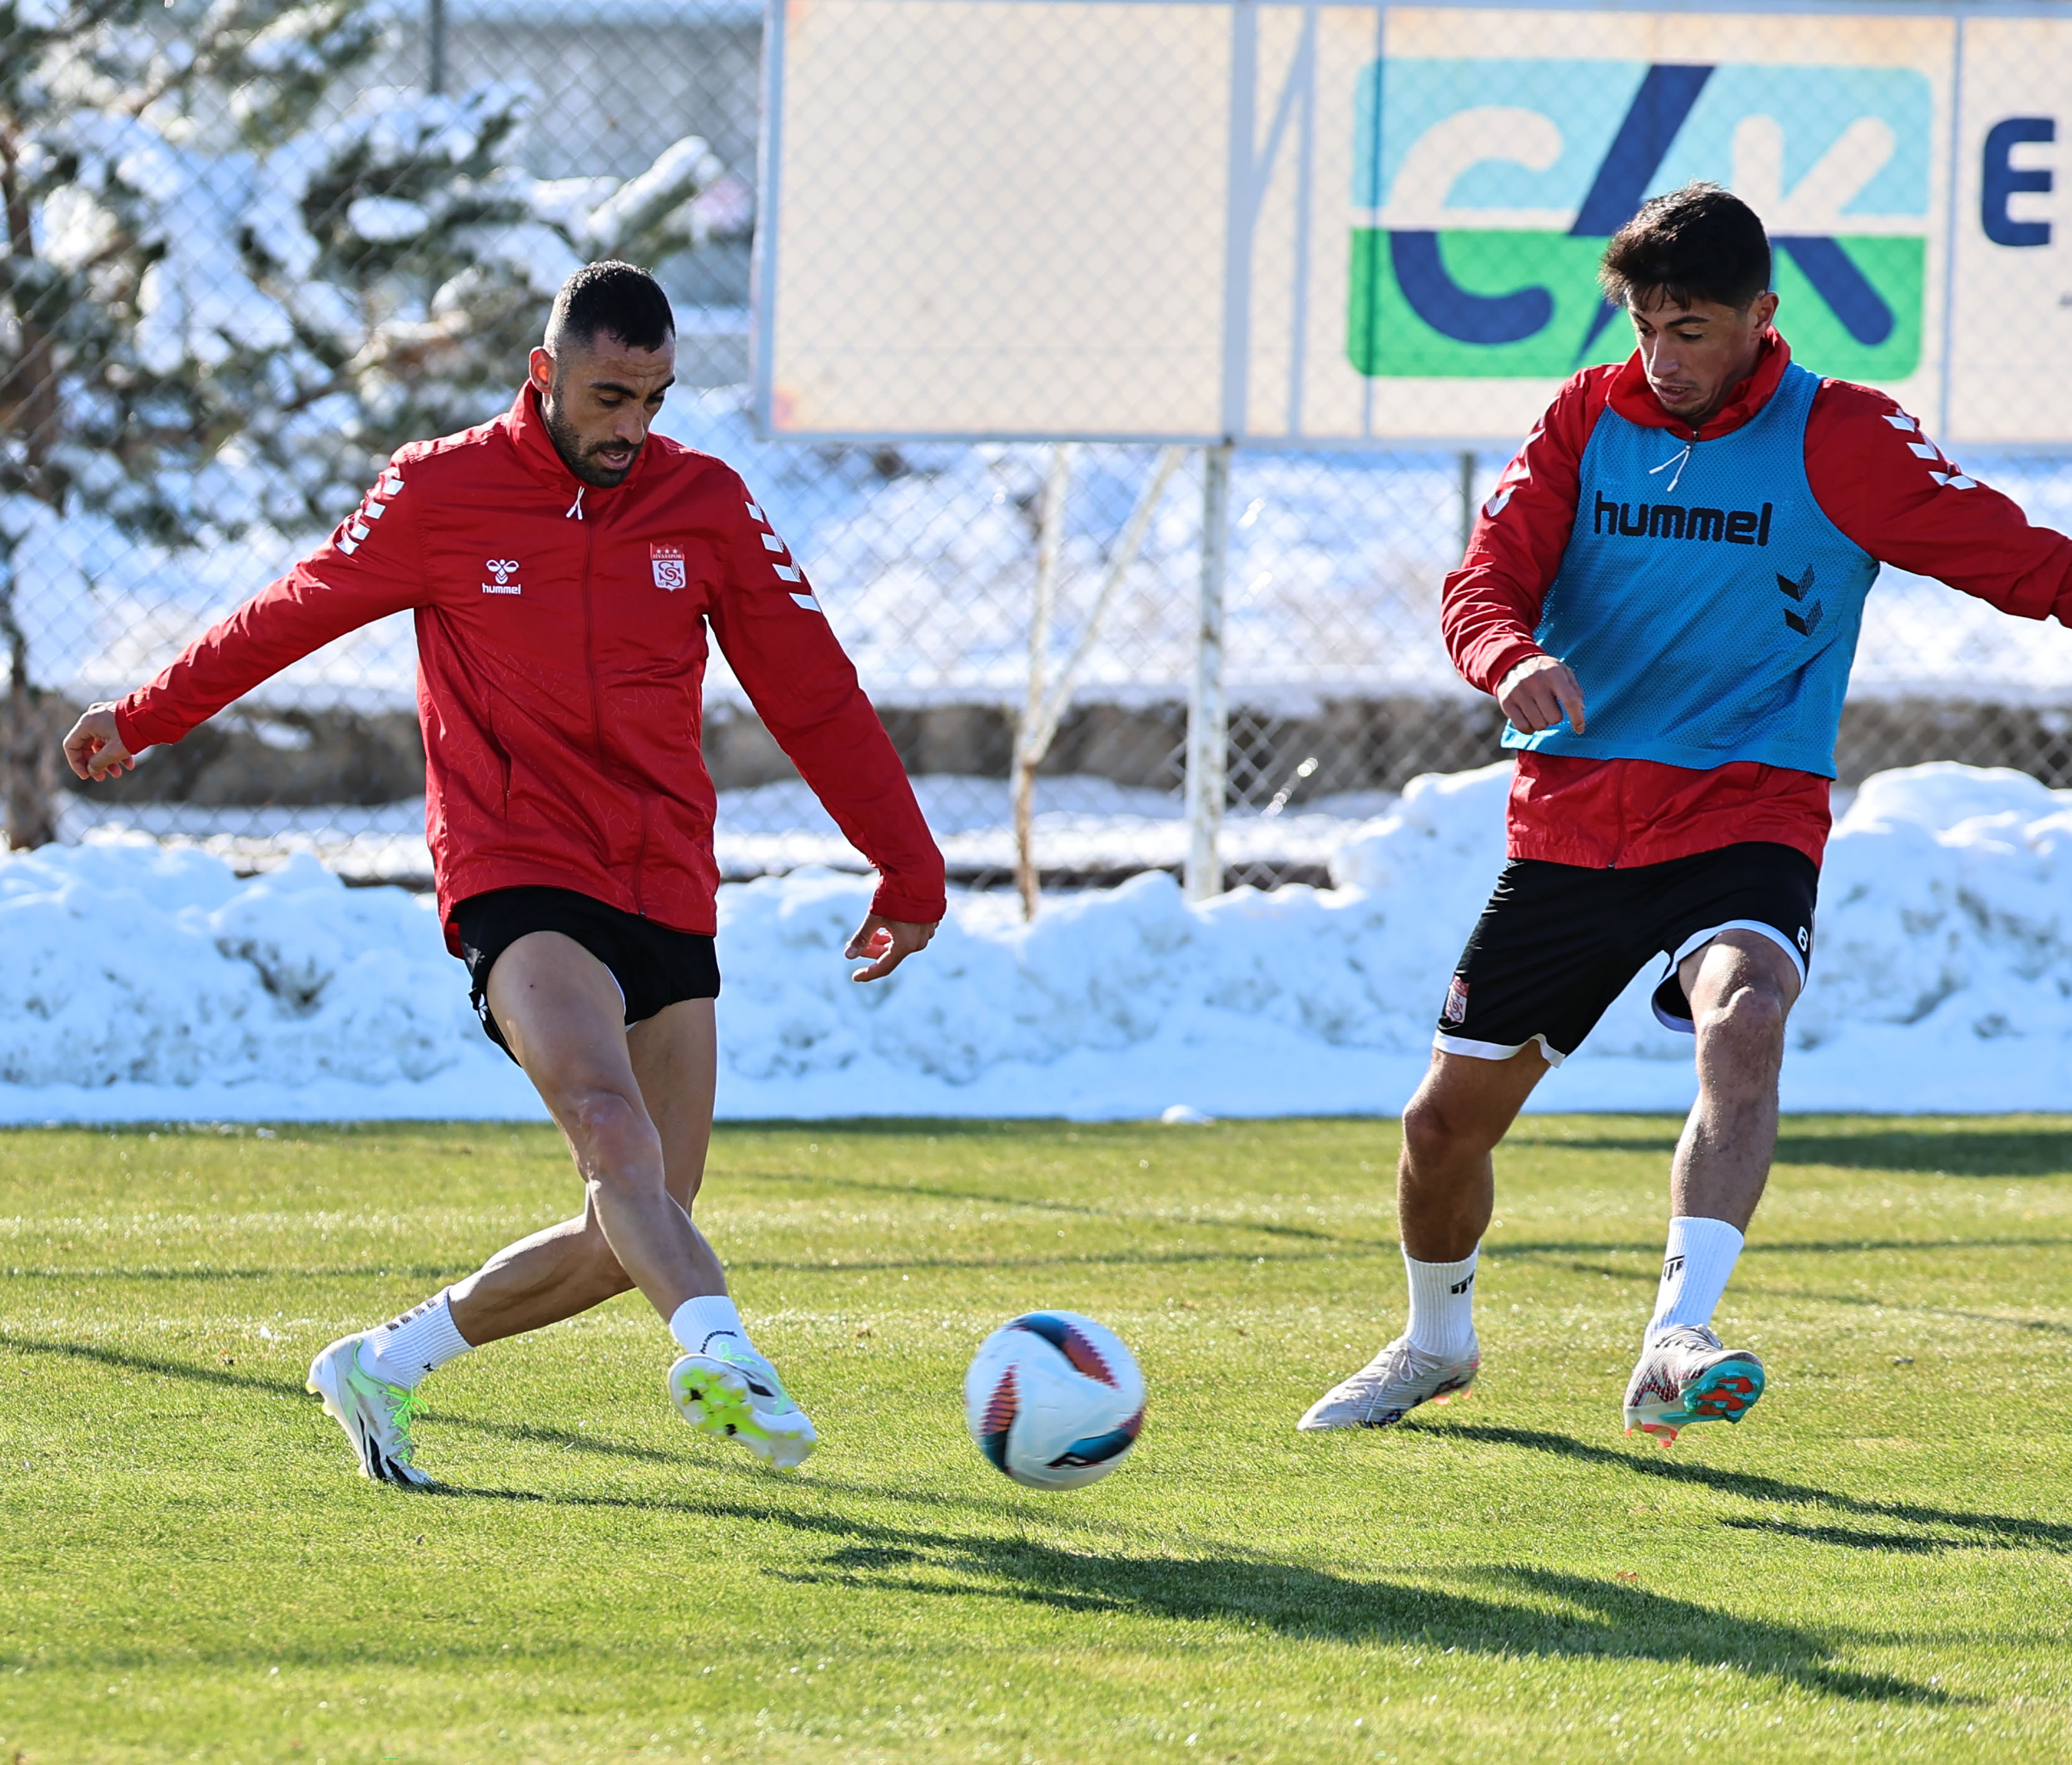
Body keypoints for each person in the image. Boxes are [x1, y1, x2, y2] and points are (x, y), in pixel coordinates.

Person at [63, 262, 946, 1483]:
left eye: (653, 399)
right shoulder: (442, 491)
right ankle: (724, 1356)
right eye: (606, 397)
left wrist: (907, 868)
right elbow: (293, 611)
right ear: (543, 375)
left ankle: (380, 1362)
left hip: (663, 886)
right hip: (516, 872)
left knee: (637, 1221)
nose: (631, 427)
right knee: (606, 1126)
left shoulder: (709, 506)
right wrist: (146, 715)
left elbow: (813, 691)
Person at [1298, 183, 2072, 1444]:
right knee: (1440, 1128)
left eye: (1692, 327)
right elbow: (1483, 578)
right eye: (1644, 324)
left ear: (1761, 315)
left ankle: (1673, 1336)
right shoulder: (1579, 417)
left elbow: (2025, 562)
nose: (1662, 356)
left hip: (1742, 810)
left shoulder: (1846, 439)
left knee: (1746, 1012)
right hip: (1571, 821)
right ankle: (1435, 1342)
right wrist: (1503, 658)